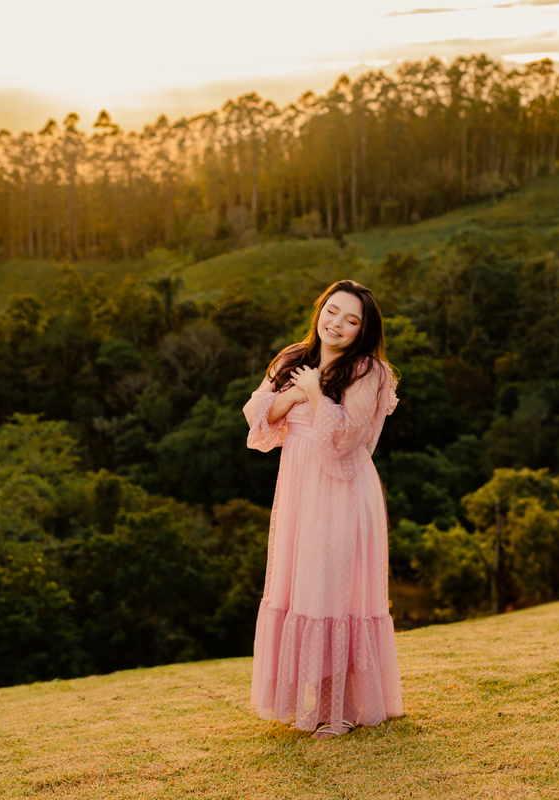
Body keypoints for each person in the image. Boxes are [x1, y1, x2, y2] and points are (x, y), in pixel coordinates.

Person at [242, 279, 404, 739]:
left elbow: (345, 441)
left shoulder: (368, 372)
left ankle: (343, 709)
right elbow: (257, 414)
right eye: (333, 311)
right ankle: (305, 706)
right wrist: (294, 394)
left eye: (351, 320)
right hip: (299, 497)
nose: (337, 324)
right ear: (320, 310)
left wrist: (314, 393)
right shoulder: (293, 358)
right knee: (303, 592)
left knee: (336, 595)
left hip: (344, 495)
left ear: (363, 331)